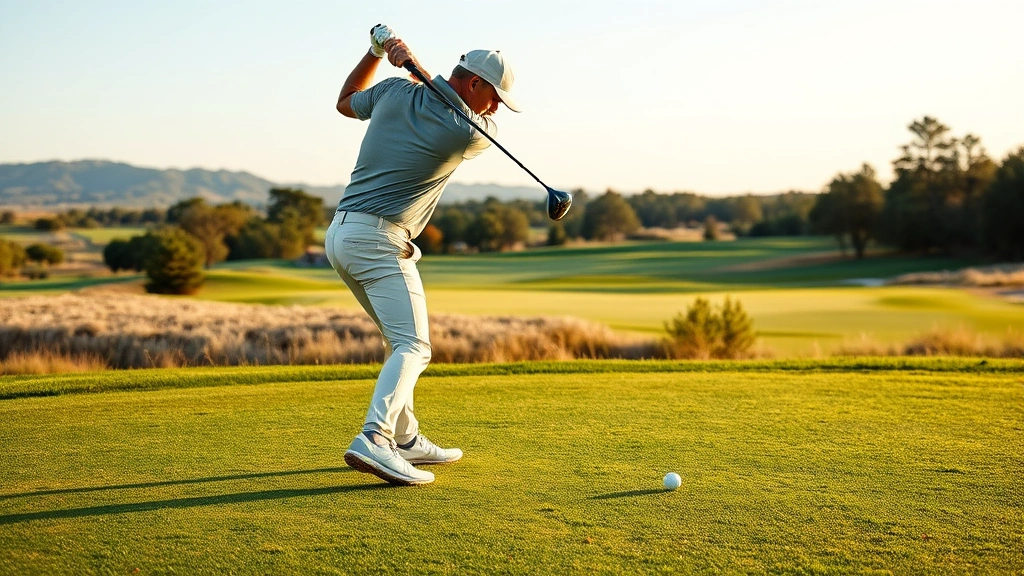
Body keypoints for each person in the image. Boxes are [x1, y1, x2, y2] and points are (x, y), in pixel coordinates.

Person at [325, 25, 520, 486]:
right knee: (415, 346)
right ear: (474, 84)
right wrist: (406, 63)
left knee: (400, 341)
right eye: (494, 98)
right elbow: (440, 102)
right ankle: (375, 438)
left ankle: (407, 437)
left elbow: (347, 98)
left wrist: (375, 54)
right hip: (379, 241)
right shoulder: (470, 130)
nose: (495, 111)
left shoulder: (393, 90)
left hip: (341, 235)